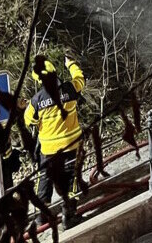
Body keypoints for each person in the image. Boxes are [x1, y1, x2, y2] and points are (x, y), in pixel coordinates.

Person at [24, 54, 86, 228]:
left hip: (49, 150)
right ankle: (69, 216)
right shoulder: (71, 88)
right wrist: (71, 63)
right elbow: (80, 78)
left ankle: (41, 217)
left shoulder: (36, 100)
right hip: (71, 146)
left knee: (44, 180)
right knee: (71, 180)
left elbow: (29, 120)